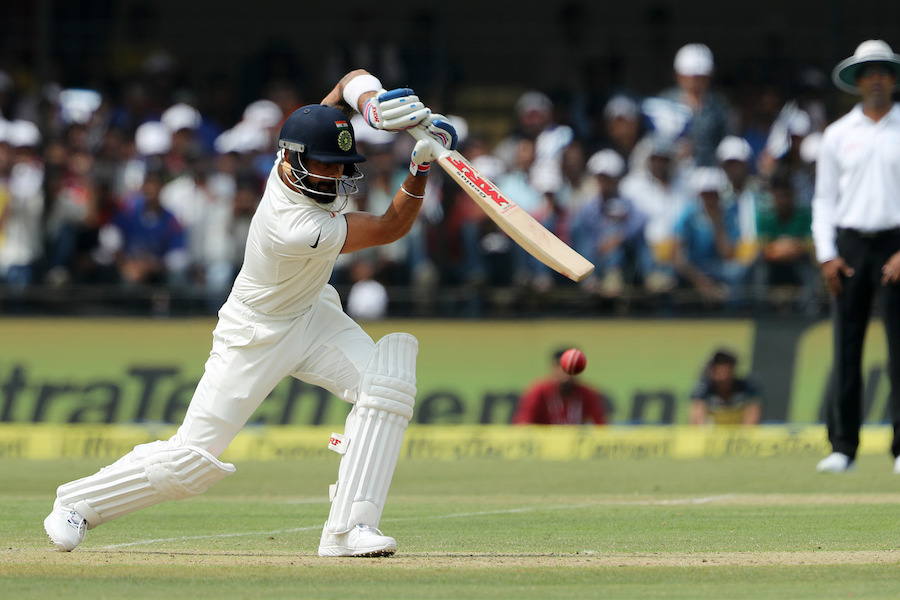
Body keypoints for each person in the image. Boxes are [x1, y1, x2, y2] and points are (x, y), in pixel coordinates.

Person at [42, 70, 458, 557]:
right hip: (255, 332)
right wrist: (420, 168)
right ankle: (77, 502)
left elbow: (347, 84)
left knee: (386, 384)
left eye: (341, 165)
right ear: (295, 161)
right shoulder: (297, 226)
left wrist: (372, 105)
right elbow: (389, 227)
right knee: (191, 460)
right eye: (324, 166)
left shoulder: (290, 156)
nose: (335, 176)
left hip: (313, 315)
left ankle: (349, 529)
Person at [811, 40, 900, 474]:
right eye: (868, 72)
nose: (876, 79)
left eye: (882, 70)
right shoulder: (838, 134)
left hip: (896, 243)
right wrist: (827, 255)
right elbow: (824, 200)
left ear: (893, 78)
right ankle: (843, 447)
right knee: (846, 346)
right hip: (849, 245)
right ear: (858, 81)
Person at [512, 348, 609, 425]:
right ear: (552, 368)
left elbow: (600, 426)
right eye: (560, 365)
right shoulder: (539, 392)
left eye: (572, 366)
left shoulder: (588, 394)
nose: (565, 372)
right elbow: (523, 424)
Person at [689, 348, 762, 425]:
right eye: (718, 368)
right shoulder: (703, 389)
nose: (722, 374)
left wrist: (745, 431)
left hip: (740, 430)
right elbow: (696, 420)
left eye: (726, 367)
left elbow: (753, 414)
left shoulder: (747, 387)